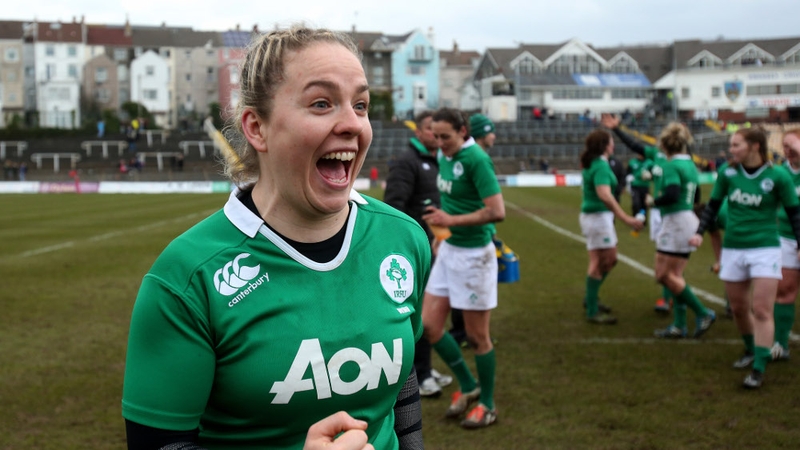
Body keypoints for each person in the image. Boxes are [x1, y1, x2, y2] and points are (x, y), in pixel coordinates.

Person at [122, 26, 430, 449]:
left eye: (360, 105)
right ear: (256, 127)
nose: (351, 124)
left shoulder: (403, 238)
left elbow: (404, 385)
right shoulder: (188, 278)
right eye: (321, 103)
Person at [690, 127, 800, 389]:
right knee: (739, 308)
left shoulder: (778, 176)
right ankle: (751, 349)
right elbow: (713, 206)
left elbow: (794, 213)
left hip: (765, 248)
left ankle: (759, 369)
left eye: (737, 145)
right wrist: (698, 232)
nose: (732, 150)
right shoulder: (727, 173)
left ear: (754, 146)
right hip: (734, 249)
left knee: (762, 309)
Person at [421, 107, 505, 429]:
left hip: (475, 257)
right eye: (435, 136)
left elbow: (497, 211)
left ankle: (488, 404)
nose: (440, 143)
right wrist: (443, 234)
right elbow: (452, 201)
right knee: (429, 326)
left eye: (446, 137)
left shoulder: (477, 160)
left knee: (477, 336)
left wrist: (450, 221)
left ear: (463, 131)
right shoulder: (446, 155)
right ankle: (469, 385)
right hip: (450, 249)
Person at [383, 110, 453, 398]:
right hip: (416, 250)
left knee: (431, 314)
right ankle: (419, 376)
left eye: (438, 131)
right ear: (418, 132)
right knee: (419, 315)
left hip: (436, 247)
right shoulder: (407, 162)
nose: (435, 135)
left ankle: (426, 368)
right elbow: (395, 206)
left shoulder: (439, 161)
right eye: (429, 129)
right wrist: (409, 244)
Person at [647, 123, 716, 339]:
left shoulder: (670, 165)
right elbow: (695, 197)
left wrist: (653, 201)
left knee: (663, 275)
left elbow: (673, 193)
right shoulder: (690, 165)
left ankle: (703, 312)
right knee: (674, 276)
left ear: (664, 145)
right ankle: (679, 325)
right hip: (686, 219)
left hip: (676, 221)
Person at [601, 113, 672, 314]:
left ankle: (671, 299)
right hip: (658, 210)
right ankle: (670, 296)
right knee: (663, 256)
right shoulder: (656, 154)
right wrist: (616, 129)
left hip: (672, 211)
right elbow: (634, 145)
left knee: (669, 257)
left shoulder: (680, 160)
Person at [579, 129, 644, 325]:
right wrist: (625, 217)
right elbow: (604, 194)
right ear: (605, 145)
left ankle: (591, 299)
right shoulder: (599, 165)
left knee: (607, 260)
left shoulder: (596, 163)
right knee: (602, 261)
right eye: (611, 142)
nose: (614, 145)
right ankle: (591, 309)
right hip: (598, 217)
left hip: (596, 217)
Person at [772, 129, 800, 361]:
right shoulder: (781, 173)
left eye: (792, 145)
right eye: (785, 146)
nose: (787, 150)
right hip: (787, 238)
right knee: (785, 290)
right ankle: (780, 344)